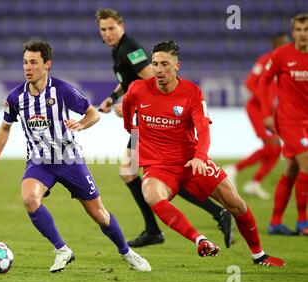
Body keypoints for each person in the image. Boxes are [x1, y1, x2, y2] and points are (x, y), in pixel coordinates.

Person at [0, 41, 151, 273]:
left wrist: (81, 124)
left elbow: (93, 114)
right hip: (39, 163)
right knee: (29, 198)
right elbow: (5, 127)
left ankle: (127, 253)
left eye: (34, 62)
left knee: (99, 214)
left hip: (69, 161)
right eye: (25, 62)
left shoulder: (62, 90)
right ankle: (62, 250)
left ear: (47, 64)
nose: (28, 67)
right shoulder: (16, 97)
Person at [122, 40, 285, 266]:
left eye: (165, 64)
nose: (159, 70)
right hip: (159, 166)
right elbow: (130, 120)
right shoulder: (137, 89)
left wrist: (199, 157)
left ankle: (259, 255)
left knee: (236, 204)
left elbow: (203, 130)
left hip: (192, 162)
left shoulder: (192, 93)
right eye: (155, 64)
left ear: (177, 66)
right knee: (151, 193)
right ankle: (200, 240)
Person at [96, 8, 233, 248]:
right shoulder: (119, 50)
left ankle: (156, 229)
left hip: (148, 121)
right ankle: (209, 214)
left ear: (122, 27)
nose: (107, 33)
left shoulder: (130, 50)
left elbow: (150, 81)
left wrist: (127, 101)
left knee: (146, 174)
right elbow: (128, 79)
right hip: (145, 120)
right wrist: (113, 96)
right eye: (103, 29)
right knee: (137, 174)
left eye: (111, 28)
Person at [223, 33, 289, 200]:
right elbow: (250, 83)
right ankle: (233, 169)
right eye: (282, 44)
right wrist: (265, 102)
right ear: (275, 46)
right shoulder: (265, 60)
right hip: (257, 109)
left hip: (271, 110)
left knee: (275, 149)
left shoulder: (288, 63)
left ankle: (254, 183)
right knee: (272, 144)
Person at [259, 13, 308, 236]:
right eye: (298, 30)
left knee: (292, 168)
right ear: (292, 32)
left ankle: (276, 222)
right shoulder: (281, 55)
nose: (302, 34)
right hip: (289, 120)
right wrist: (267, 113)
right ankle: (302, 221)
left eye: (306, 30)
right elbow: (263, 81)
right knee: (306, 163)